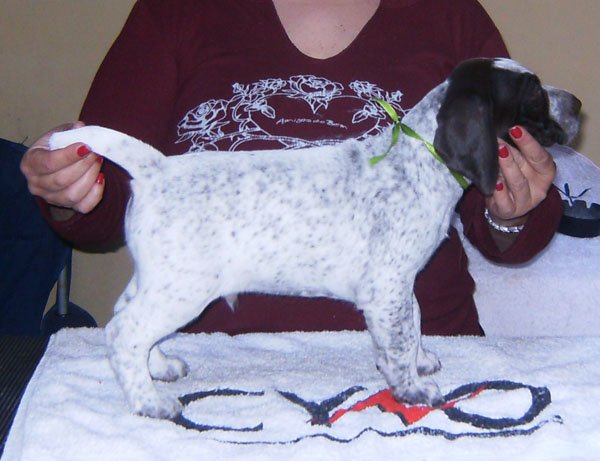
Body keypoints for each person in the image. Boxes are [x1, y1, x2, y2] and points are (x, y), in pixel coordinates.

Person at [20, 0, 562, 336]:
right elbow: (111, 204)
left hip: (422, 353)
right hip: (217, 360)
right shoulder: (175, 12)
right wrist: (69, 188)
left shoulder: (452, 17)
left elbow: (503, 221)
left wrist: (512, 214)